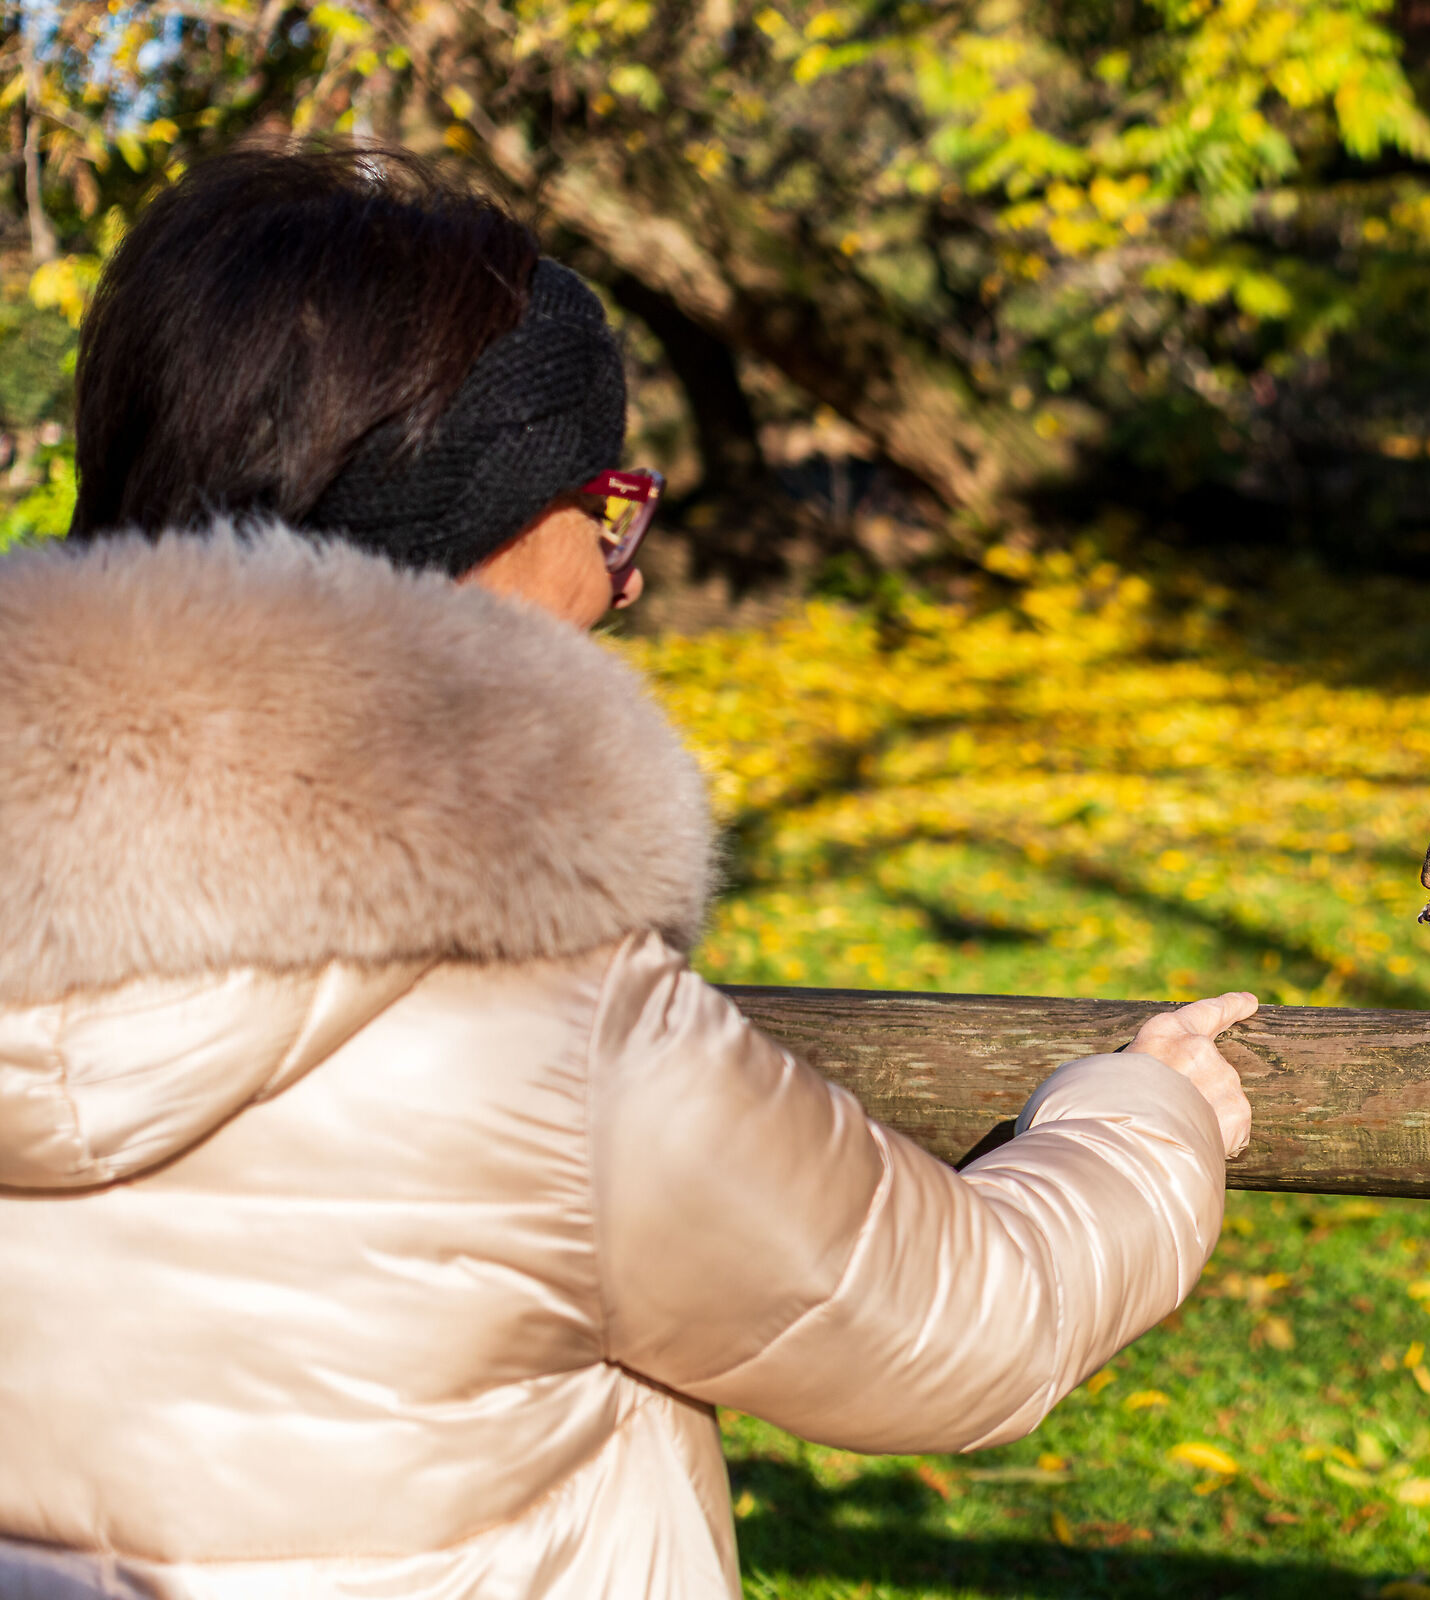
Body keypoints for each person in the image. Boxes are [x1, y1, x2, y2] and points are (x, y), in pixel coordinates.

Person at [0, 145, 1255, 1599]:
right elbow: (961, 1331)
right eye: (604, 505)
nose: (628, 572)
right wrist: (1142, 1115)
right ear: (456, 522)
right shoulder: (531, 1026)